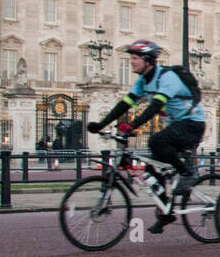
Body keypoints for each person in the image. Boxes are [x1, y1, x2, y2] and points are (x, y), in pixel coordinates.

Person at [87, 40, 206, 232]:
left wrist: (133, 125)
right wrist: (101, 124)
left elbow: (155, 106)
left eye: (135, 58)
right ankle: (166, 212)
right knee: (150, 170)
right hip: (176, 125)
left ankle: (188, 173)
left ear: (147, 60)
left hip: (192, 124)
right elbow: (125, 104)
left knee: (156, 141)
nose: (131, 62)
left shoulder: (167, 78)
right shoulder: (143, 81)